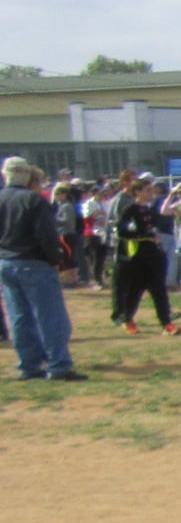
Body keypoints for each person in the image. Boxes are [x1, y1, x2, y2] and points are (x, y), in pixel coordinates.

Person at [0, 156, 86, 381]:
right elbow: (46, 236)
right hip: (34, 262)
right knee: (50, 315)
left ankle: (28, 365)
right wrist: (57, 260)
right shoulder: (34, 200)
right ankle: (58, 365)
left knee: (19, 316)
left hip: (6, 262)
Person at [111, 174, 179, 335]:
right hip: (138, 257)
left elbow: (156, 226)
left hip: (154, 255)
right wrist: (143, 236)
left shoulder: (148, 210)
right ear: (138, 192)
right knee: (135, 290)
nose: (151, 193)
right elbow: (121, 232)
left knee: (159, 290)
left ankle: (166, 324)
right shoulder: (130, 210)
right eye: (148, 190)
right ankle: (127, 319)